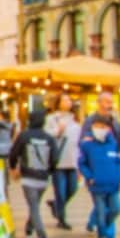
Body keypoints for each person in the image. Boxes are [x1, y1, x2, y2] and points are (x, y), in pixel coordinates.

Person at [8, 110, 58, 238]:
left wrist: (12, 168)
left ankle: (42, 237)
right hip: (43, 178)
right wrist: (50, 171)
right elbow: (55, 158)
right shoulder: (49, 138)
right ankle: (29, 227)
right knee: (34, 205)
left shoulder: (24, 136)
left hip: (28, 177)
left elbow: (13, 153)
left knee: (33, 206)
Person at [79, 115, 120, 238]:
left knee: (116, 208)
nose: (99, 130)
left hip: (112, 184)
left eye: (103, 127)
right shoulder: (87, 145)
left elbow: (117, 161)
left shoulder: (113, 144)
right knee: (100, 211)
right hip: (97, 186)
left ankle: (103, 228)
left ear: (108, 129)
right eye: (96, 127)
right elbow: (82, 163)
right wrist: (89, 177)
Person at [80, 91, 120, 234]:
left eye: (111, 102)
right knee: (102, 204)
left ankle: (94, 223)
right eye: (106, 102)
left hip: (110, 169)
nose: (109, 105)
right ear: (99, 103)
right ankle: (107, 237)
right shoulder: (90, 121)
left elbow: (118, 142)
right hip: (96, 168)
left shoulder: (114, 120)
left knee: (109, 205)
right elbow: (83, 142)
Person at [44, 93, 82, 230]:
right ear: (58, 102)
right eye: (64, 99)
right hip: (58, 160)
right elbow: (47, 136)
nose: (68, 102)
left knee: (72, 188)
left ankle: (56, 206)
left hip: (72, 160)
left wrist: (80, 162)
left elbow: (78, 142)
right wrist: (58, 130)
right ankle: (62, 219)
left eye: (69, 99)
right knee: (60, 191)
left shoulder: (75, 120)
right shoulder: (52, 118)